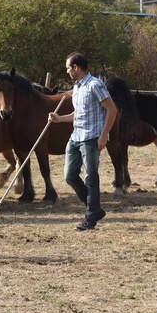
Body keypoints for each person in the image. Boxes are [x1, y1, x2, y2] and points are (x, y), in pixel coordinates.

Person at [48, 52, 117, 231]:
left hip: (92, 137)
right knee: (69, 175)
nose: (67, 72)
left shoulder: (95, 85)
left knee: (90, 176)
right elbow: (78, 114)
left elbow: (112, 110)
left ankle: (90, 217)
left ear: (76, 67)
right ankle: (94, 209)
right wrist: (59, 118)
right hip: (76, 136)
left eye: (68, 68)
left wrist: (103, 135)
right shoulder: (78, 88)